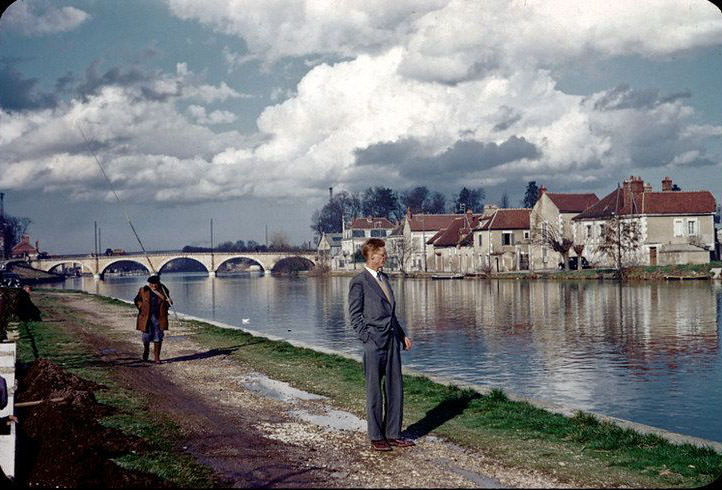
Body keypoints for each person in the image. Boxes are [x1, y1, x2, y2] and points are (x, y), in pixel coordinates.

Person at [348, 238, 414, 451]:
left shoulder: (384, 278)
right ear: (372, 256)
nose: (385, 257)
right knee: (374, 391)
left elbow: (391, 313)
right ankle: (376, 437)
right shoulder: (359, 281)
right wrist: (367, 338)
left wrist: (402, 335)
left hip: (392, 340)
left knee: (395, 389)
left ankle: (393, 434)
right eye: (383, 254)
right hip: (373, 343)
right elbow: (355, 315)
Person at [134, 275, 172, 364]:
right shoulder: (143, 290)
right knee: (146, 337)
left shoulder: (163, 290)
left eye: (155, 284)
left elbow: (167, 302)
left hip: (159, 317)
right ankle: (146, 350)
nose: (154, 286)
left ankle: (156, 357)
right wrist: (141, 307)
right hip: (146, 318)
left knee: (158, 336)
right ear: (149, 284)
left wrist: (169, 302)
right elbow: (136, 300)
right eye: (152, 284)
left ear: (158, 283)